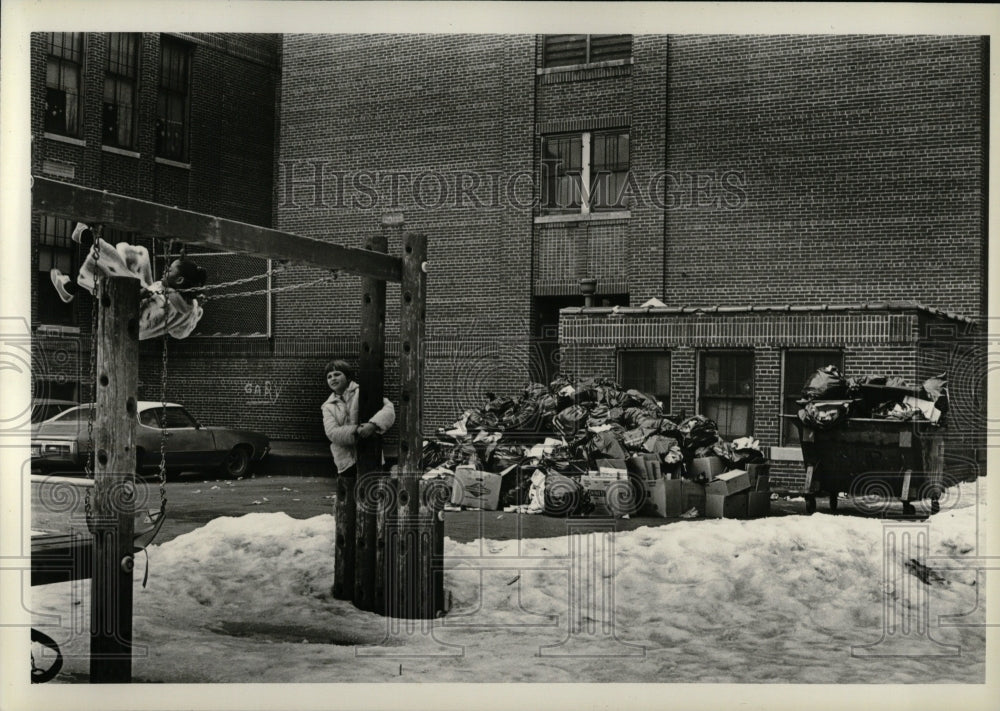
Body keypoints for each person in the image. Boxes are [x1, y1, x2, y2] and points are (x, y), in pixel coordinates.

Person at [49, 222, 207, 340]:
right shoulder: (188, 308)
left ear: (179, 280)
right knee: (139, 256)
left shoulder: (165, 297)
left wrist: (143, 294)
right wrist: (197, 309)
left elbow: (138, 305)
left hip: (129, 321)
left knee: (116, 272)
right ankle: (70, 288)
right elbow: (179, 333)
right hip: (134, 317)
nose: (165, 270)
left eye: (169, 270)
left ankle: (88, 239)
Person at [321, 359, 395, 477]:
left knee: (371, 489)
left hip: (370, 455)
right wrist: (356, 431)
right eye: (329, 376)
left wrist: (373, 425)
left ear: (348, 377)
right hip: (345, 461)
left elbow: (389, 408)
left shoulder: (362, 392)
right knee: (349, 490)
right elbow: (331, 432)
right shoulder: (328, 406)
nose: (333, 378)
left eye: (337, 374)